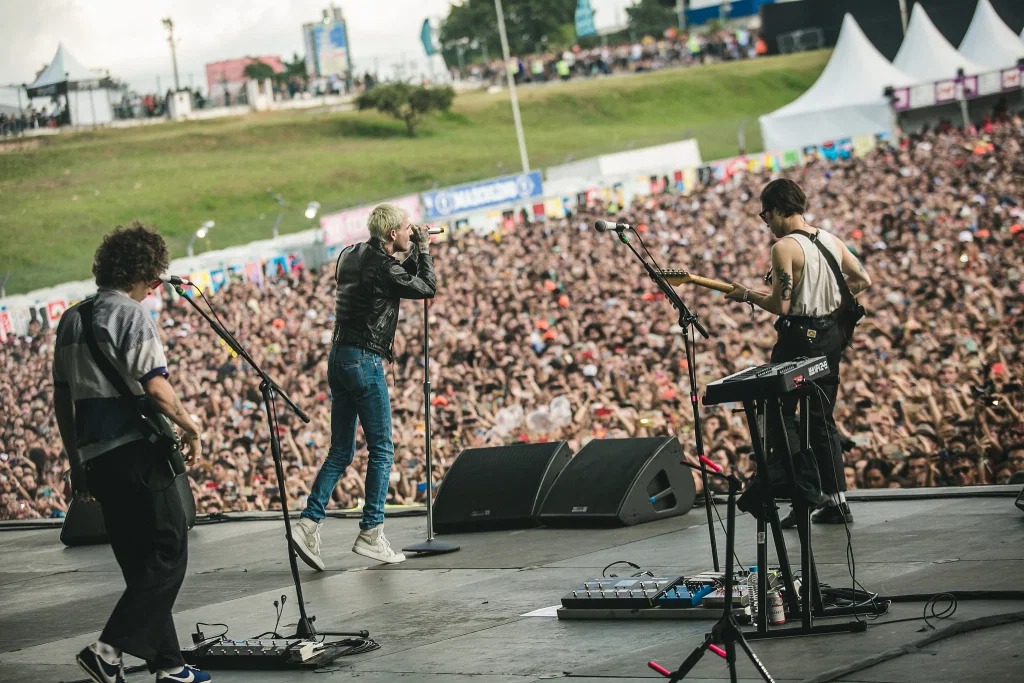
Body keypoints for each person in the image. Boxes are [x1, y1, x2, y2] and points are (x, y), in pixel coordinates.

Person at [52, 223, 209, 683]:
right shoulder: (130, 315)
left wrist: (76, 461)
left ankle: (170, 665)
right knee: (168, 549)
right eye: (154, 279)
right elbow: (158, 391)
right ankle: (107, 649)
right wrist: (191, 425)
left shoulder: (70, 319)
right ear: (140, 274)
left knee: (142, 565)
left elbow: (63, 400)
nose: (155, 288)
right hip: (136, 452)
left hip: (96, 459)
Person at [291, 203, 436, 569]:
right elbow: (426, 287)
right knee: (382, 449)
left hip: (338, 357)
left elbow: (395, 277)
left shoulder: (349, 254)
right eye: (406, 228)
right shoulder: (384, 265)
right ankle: (371, 531)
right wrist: (425, 249)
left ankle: (308, 523)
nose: (410, 231)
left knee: (341, 450)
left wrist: (415, 248)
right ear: (392, 235)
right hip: (365, 360)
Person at [726, 178, 871, 525]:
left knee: (777, 413)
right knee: (821, 419)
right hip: (830, 337)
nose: (766, 223)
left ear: (777, 209)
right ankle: (837, 501)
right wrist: (830, 300)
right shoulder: (829, 239)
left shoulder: (784, 247)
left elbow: (780, 305)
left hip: (798, 338)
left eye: (765, 215)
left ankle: (804, 493)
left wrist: (746, 294)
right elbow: (863, 279)